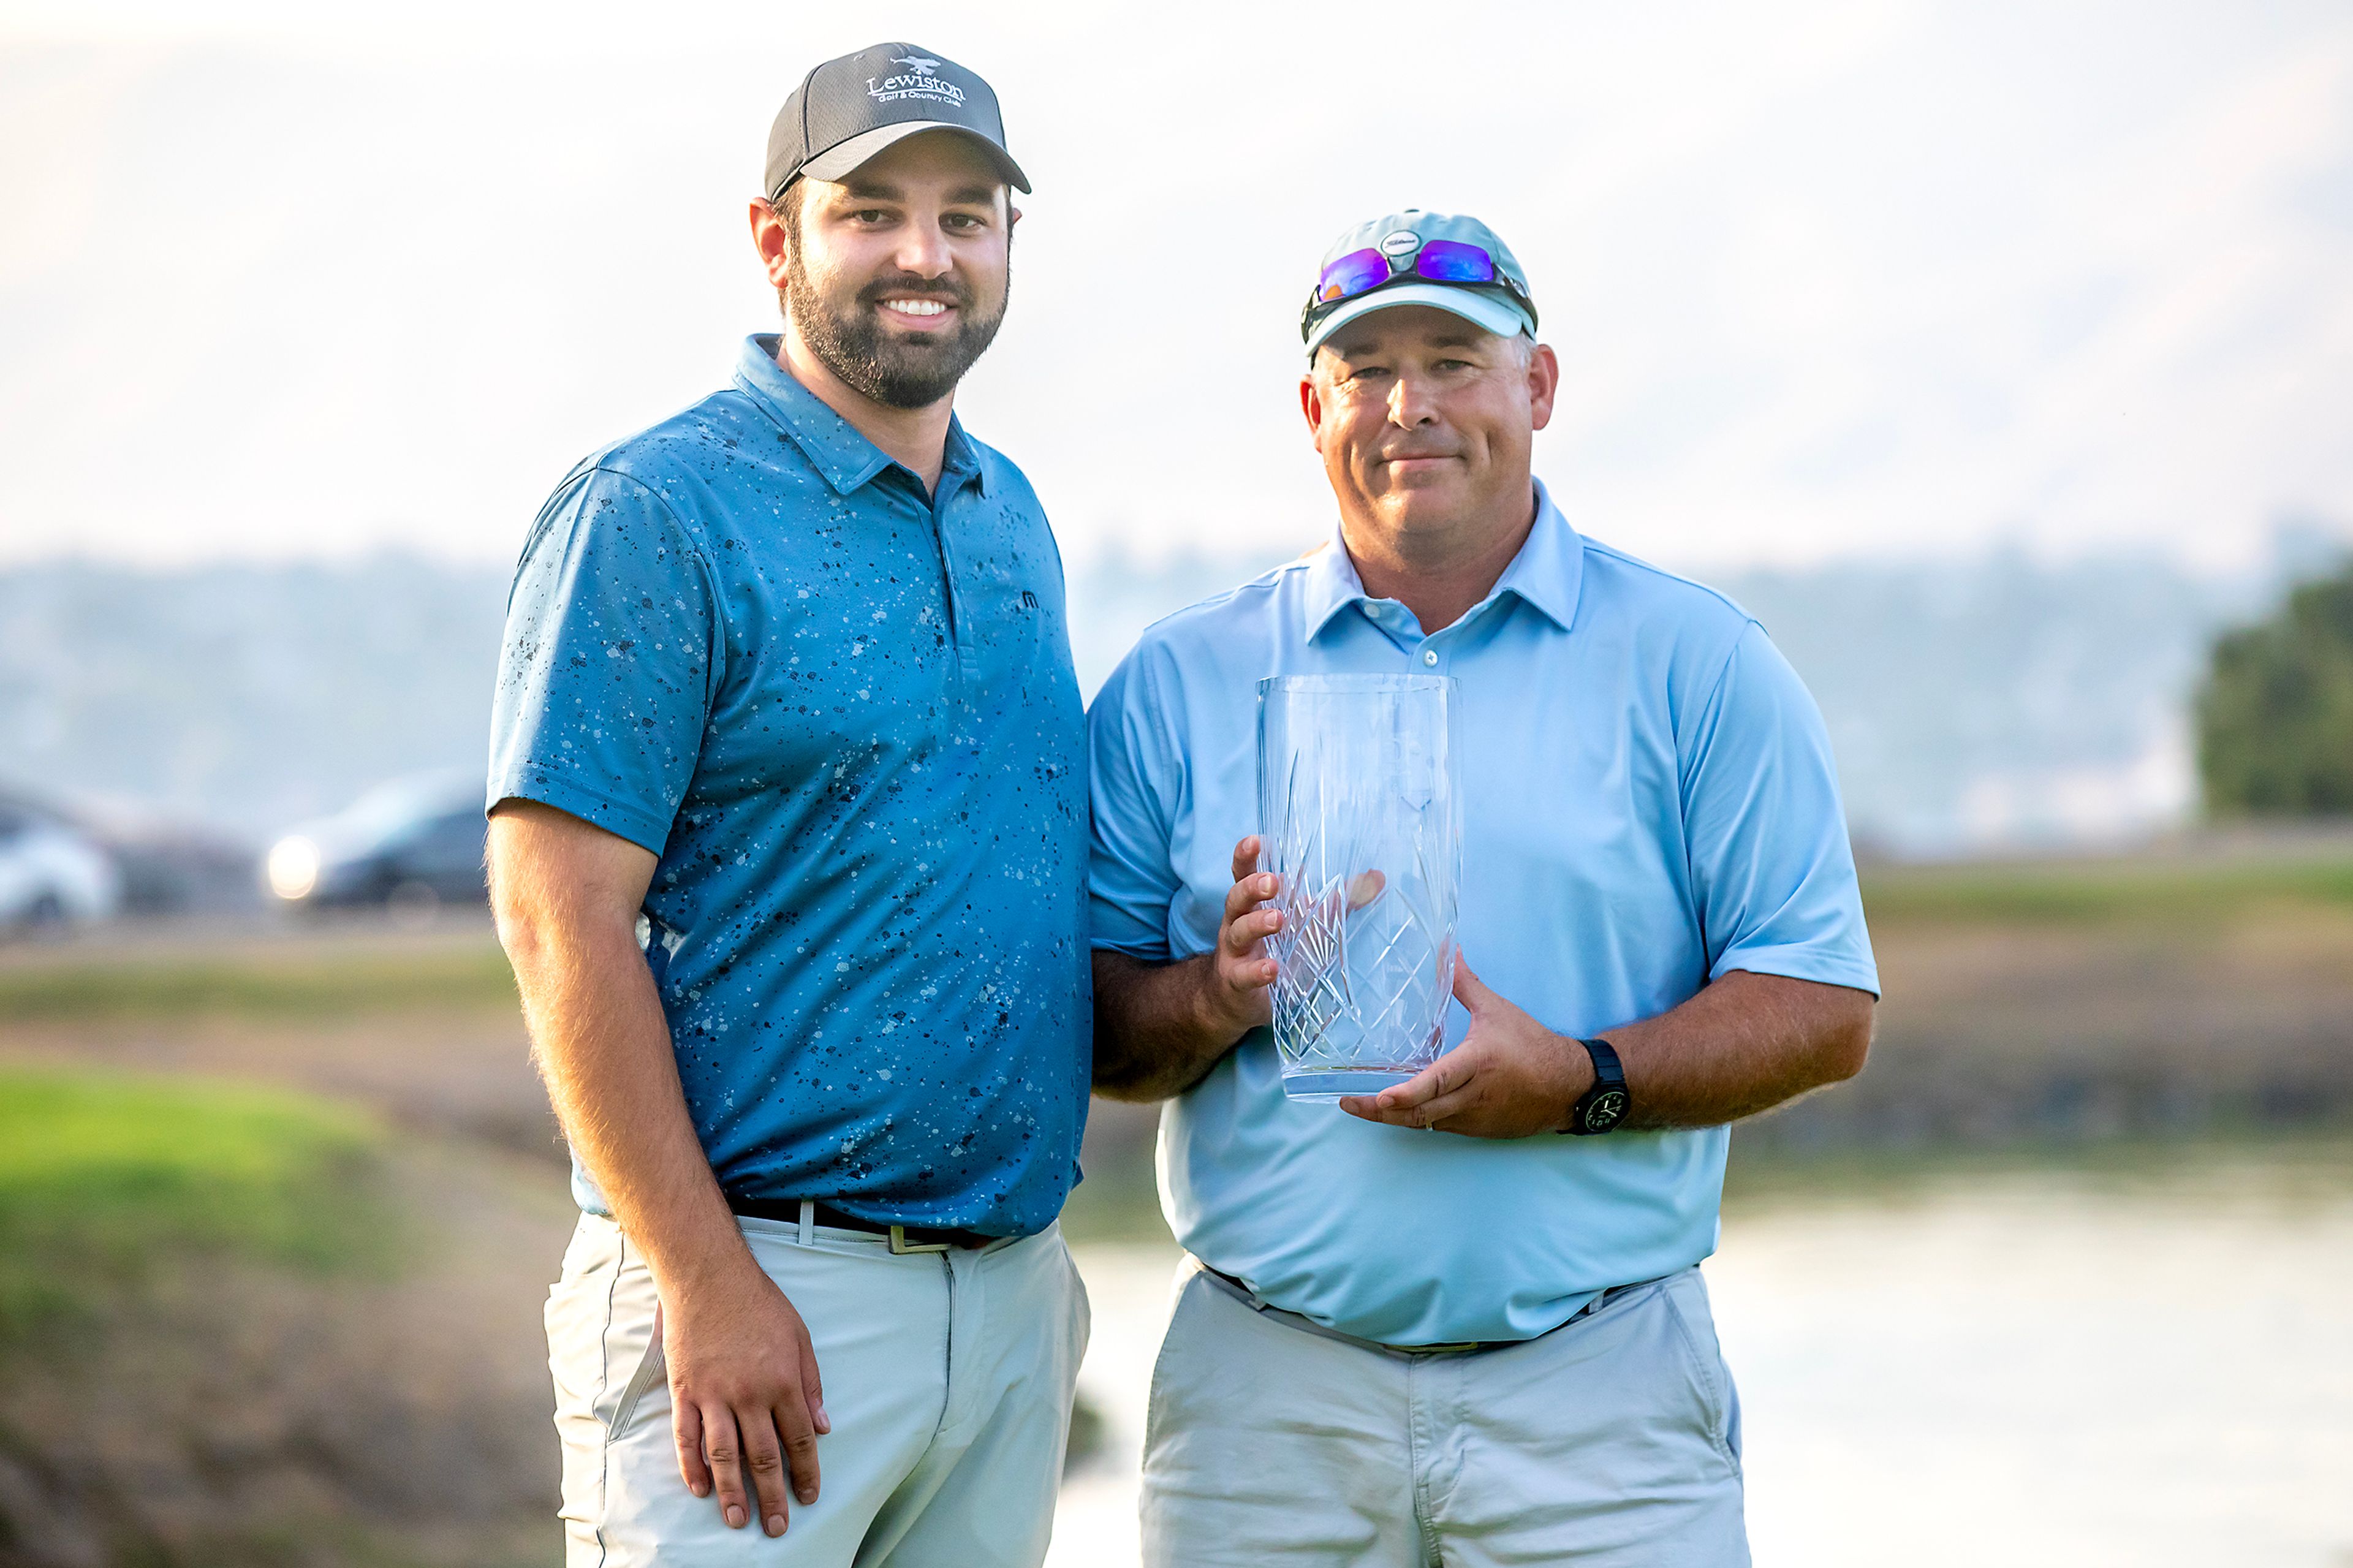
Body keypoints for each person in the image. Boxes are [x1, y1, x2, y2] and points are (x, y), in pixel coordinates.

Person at [1087, 209, 1881, 1566]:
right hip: (1262, 1412)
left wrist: (1583, 1078)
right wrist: (1218, 993)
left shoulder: (1700, 664)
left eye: (1455, 358)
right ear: (1311, 407)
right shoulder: (1179, 677)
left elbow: (1823, 1003)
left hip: (1604, 1397)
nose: (1411, 406)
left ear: (1540, 386)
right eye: (1366, 368)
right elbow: (1099, 1034)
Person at [485, 43, 1089, 1567]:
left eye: (966, 215)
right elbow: (558, 919)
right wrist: (701, 1277)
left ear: (1009, 245)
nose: (924, 254)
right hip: (758, 1301)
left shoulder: (1012, 515)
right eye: (871, 209)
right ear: (778, 238)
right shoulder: (655, 512)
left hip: (1009, 1311)